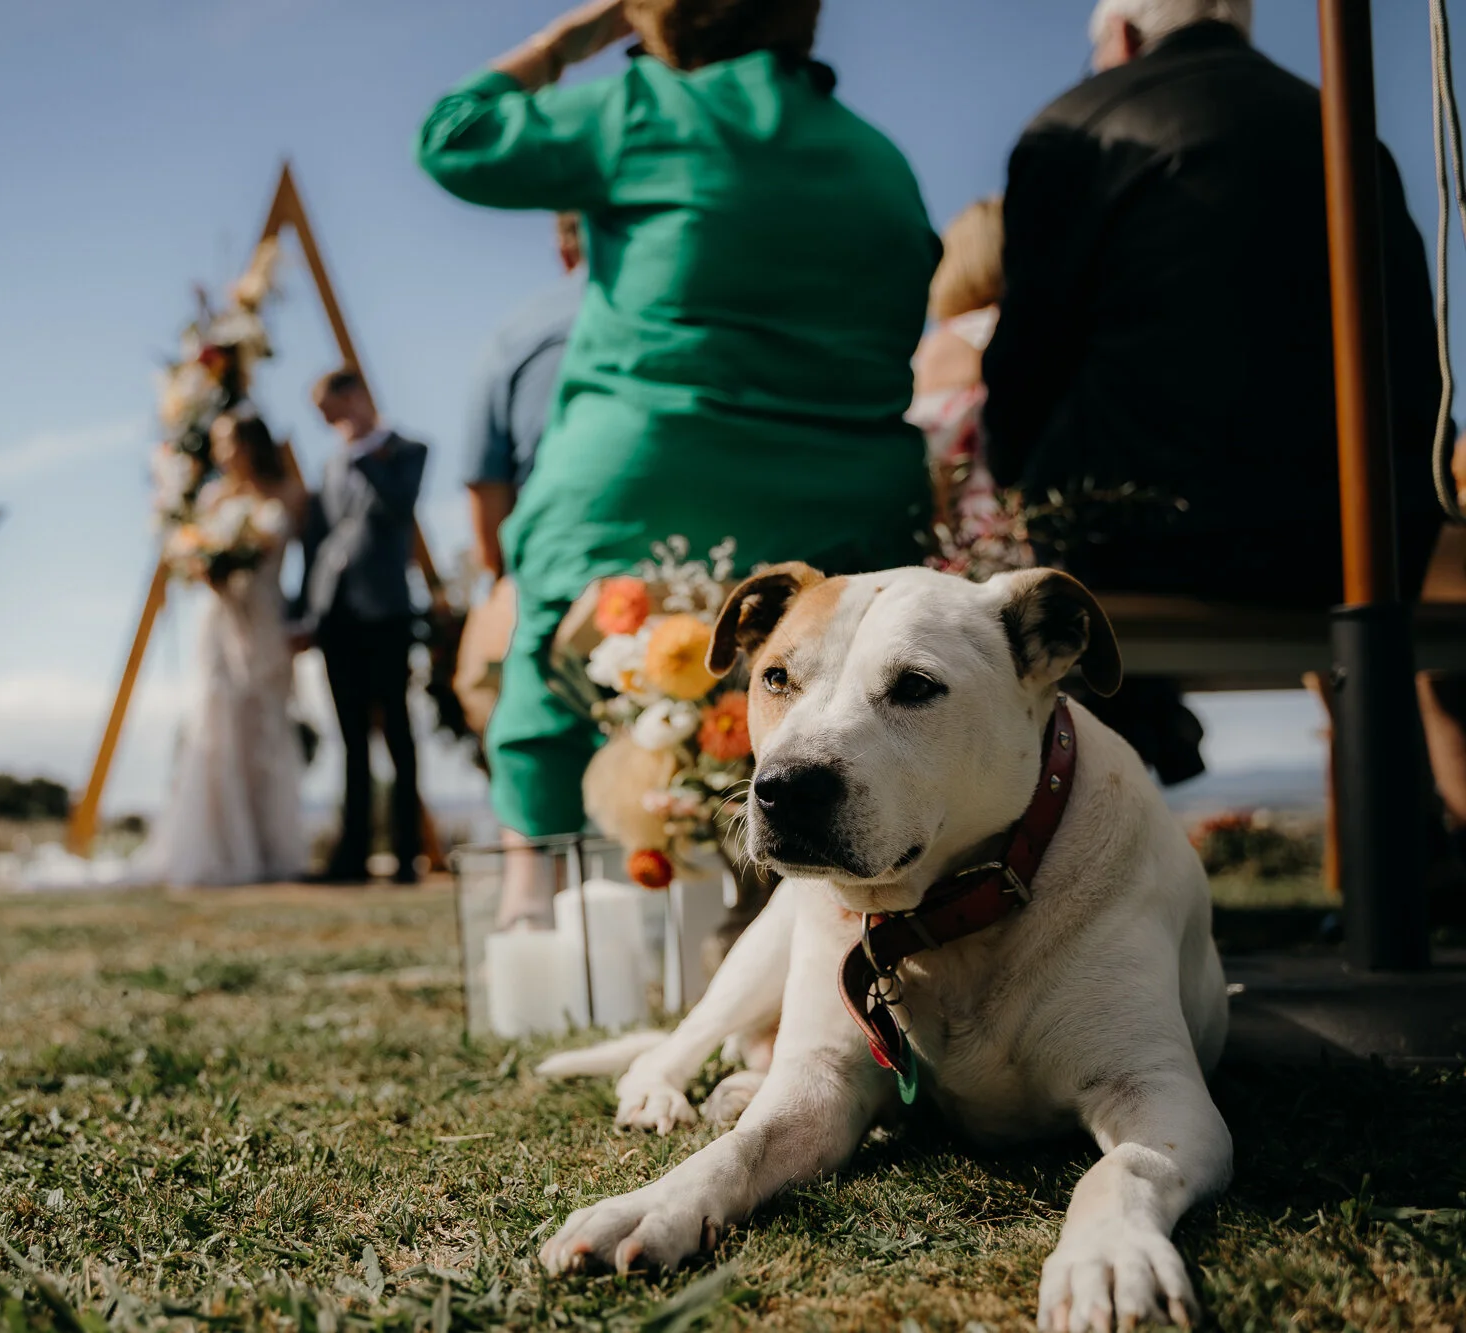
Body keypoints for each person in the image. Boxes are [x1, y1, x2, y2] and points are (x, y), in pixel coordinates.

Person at [417, 0, 939, 923]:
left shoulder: (645, 112)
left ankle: (535, 901)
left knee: (548, 640)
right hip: (848, 507)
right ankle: (793, 909)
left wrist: (570, 39)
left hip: (637, 486)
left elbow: (454, 136)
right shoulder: (881, 161)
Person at [983, 0, 1448, 785]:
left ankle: (1126, 775)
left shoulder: (1081, 123)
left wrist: (1018, 500)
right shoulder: (1347, 131)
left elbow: (1026, 364)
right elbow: (1414, 362)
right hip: (1363, 549)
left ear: (1123, 38)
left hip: (1149, 543)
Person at [134, 411, 311, 886]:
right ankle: (224, 848)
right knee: (219, 725)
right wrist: (204, 566)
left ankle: (275, 848)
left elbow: (311, 559)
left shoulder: (291, 493)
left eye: (226, 441)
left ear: (249, 443)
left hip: (268, 619)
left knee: (267, 728)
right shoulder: (213, 498)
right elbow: (192, 557)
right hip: (220, 621)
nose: (219, 452)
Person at [296, 368, 430, 885]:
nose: (329, 424)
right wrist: (304, 612)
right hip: (337, 614)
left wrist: (365, 453)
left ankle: (406, 856)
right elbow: (317, 543)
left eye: (331, 411)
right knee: (349, 738)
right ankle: (351, 857)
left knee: (397, 732)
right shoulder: (330, 463)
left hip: (388, 612)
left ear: (355, 398)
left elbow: (399, 507)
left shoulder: (408, 450)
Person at [465, 212, 586, 580]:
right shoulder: (711, 310)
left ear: (564, 252)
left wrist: (500, 577)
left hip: (563, 573)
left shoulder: (517, 333)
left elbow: (488, 500)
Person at [909, 197, 1014, 566]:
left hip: (965, 552)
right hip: (1037, 536)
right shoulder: (1052, 338)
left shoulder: (947, 346)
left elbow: (924, 455)